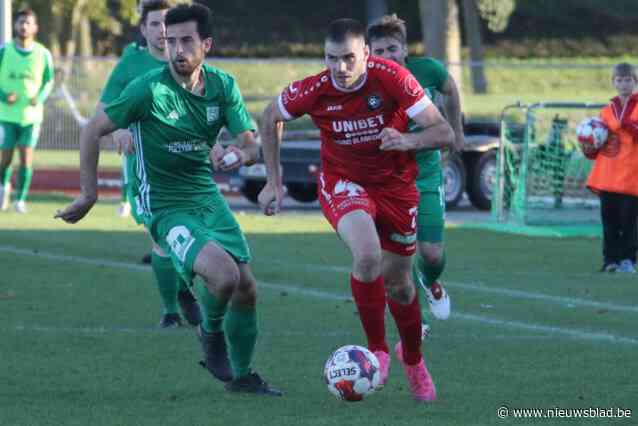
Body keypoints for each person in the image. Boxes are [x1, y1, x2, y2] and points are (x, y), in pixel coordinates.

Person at [56, 3, 281, 396]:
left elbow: (249, 143)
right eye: (171, 41)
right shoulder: (149, 88)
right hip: (162, 203)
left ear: (206, 44)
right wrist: (89, 195)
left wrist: (237, 154)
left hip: (205, 195)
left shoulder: (223, 86)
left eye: (186, 41)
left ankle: (242, 376)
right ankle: (210, 336)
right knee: (224, 276)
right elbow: (93, 130)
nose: (177, 49)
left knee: (247, 287)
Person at [259, 18, 453, 401]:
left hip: (396, 188)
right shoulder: (316, 88)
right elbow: (270, 117)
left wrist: (406, 140)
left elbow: (442, 132)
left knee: (399, 283)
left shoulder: (394, 78)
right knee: (366, 257)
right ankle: (377, 351)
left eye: (348, 58)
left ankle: (411, 358)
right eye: (332, 59)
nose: (340, 68)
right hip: (343, 183)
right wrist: (273, 181)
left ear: (365, 53)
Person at [98, 0, 201, 329]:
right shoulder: (132, 63)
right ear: (143, 29)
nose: (162, 31)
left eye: (168, 24)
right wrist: (121, 129)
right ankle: (171, 309)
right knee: (164, 238)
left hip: (188, 168)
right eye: (154, 24)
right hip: (147, 172)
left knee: (191, 237)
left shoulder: (192, 61)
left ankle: (183, 288)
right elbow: (106, 109)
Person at [367, 14, 464, 335]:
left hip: (425, 175)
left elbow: (451, 90)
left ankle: (431, 281)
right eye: (378, 51)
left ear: (405, 49)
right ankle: (412, 318)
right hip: (386, 182)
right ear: (368, 54)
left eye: (392, 48)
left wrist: (456, 130)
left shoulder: (428, 71)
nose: (386, 56)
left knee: (431, 254)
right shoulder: (364, 82)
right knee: (394, 259)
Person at [584, 62, 638, 273]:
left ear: (635, 82)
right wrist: (588, 147)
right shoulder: (606, 111)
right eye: (619, 80)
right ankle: (610, 260)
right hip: (607, 175)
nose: (623, 84)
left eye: (628, 80)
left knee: (629, 223)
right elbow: (598, 143)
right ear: (613, 83)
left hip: (632, 176)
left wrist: (629, 125)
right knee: (609, 222)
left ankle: (628, 260)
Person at [0, 8, 54, 213]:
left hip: (31, 117)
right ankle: (3, 188)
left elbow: (49, 81)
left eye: (28, 23)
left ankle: (20, 200)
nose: (24, 26)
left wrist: (38, 98)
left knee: (26, 156)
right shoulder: (5, 50)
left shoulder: (43, 53)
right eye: (21, 22)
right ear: (15, 25)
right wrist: (4, 96)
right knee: (4, 158)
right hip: (5, 115)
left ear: (35, 28)